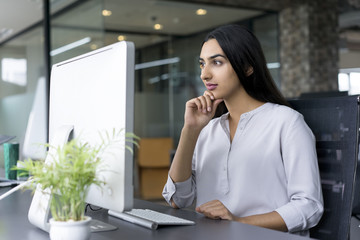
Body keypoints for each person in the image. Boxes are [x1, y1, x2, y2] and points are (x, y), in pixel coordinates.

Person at [162, 24, 323, 235]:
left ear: (247, 67)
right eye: (202, 64)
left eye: (217, 62)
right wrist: (190, 130)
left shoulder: (286, 122)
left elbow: (309, 206)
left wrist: (239, 222)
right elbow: (177, 199)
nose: (205, 74)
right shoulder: (208, 130)